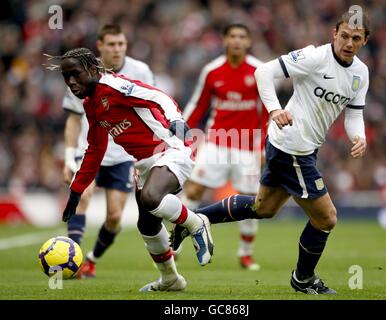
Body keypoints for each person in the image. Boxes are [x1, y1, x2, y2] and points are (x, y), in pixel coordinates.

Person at [170, 11, 370, 294]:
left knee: (263, 208)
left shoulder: (361, 73)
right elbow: (264, 71)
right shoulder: (315, 57)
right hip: (292, 147)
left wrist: (358, 136)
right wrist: (275, 109)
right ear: (334, 34)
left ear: (364, 41)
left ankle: (193, 220)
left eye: (356, 38)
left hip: (302, 147)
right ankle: (303, 279)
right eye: (345, 36)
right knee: (326, 218)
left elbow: (353, 114)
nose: (349, 43)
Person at [47, 47, 214, 292]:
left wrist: (176, 119)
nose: (71, 82)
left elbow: (157, 96)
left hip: (171, 146)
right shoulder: (91, 104)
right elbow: (95, 149)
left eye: (76, 74)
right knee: (147, 226)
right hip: (145, 163)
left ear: (92, 69)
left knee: (150, 198)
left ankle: (196, 222)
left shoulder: (114, 86)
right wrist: (76, 190)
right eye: (66, 77)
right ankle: (170, 280)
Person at [62, 24, 155, 279]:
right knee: (82, 198)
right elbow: (72, 117)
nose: (117, 49)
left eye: (121, 44)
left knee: (114, 216)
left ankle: (91, 260)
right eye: (111, 44)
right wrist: (69, 155)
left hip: (123, 154)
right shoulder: (80, 72)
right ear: (100, 46)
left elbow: (151, 104)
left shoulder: (141, 71)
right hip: (89, 147)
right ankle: (74, 259)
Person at [173, 23, 268, 270]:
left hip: (247, 147)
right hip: (216, 142)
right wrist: (182, 133)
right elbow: (198, 105)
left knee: (253, 201)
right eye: (232, 36)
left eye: (241, 37)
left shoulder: (260, 70)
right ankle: (176, 245)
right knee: (192, 191)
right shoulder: (212, 71)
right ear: (225, 40)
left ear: (248, 42)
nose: (237, 41)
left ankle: (245, 254)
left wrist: (265, 146)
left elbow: (269, 111)